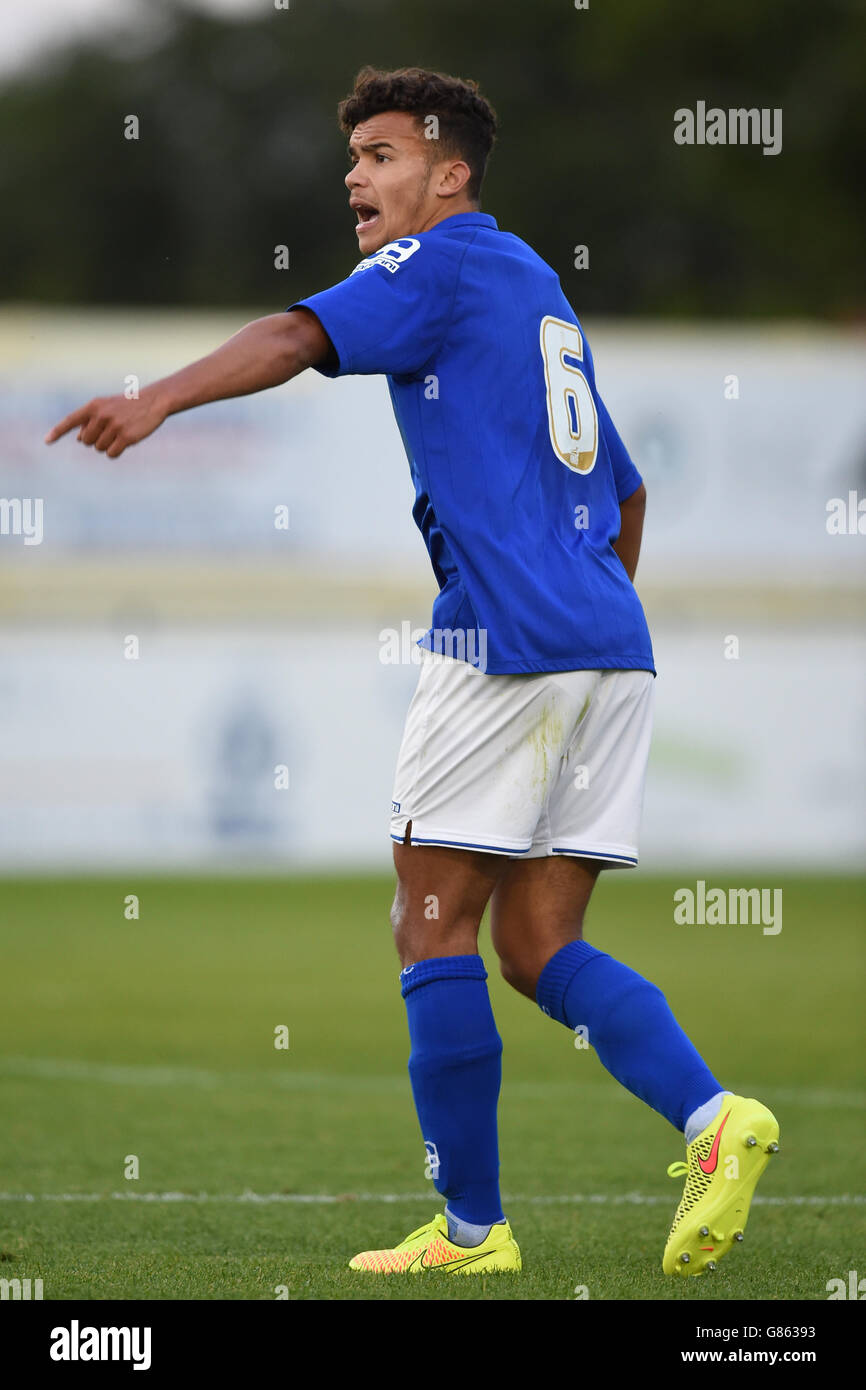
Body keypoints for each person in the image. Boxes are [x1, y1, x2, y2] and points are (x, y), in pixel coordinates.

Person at [46, 64, 779, 1279]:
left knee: (428, 921)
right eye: (354, 159)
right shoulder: (538, 285)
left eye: (381, 154)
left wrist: (158, 397)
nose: (355, 176)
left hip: (502, 644)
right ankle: (713, 1121)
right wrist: (589, 621)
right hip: (609, 644)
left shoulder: (436, 263)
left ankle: (473, 1231)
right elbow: (628, 489)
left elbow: (293, 333)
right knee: (539, 945)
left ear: (450, 173)